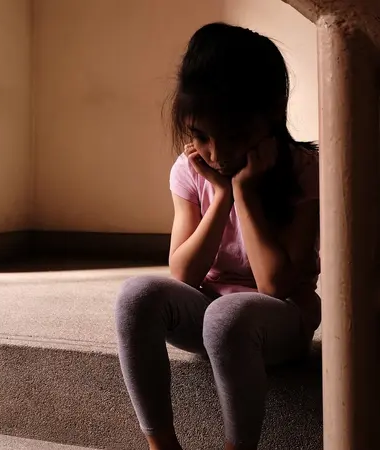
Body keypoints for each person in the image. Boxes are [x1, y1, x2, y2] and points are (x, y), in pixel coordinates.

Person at [115, 22, 321, 450]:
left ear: (271, 117)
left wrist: (244, 192)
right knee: (136, 295)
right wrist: (221, 195)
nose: (217, 154)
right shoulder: (191, 171)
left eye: (235, 137)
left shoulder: (305, 169)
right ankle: (161, 445)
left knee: (228, 317)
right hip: (207, 313)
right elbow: (184, 273)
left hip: (280, 321)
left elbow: (275, 285)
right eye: (201, 137)